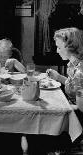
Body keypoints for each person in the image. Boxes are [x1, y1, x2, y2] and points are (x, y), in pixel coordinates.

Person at [28, 27, 83, 155]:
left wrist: (59, 105)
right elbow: (72, 84)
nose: (57, 51)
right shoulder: (73, 65)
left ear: (70, 47)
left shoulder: (80, 72)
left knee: (35, 131)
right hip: (70, 112)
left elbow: (81, 108)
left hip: (75, 124)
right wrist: (58, 77)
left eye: (59, 47)